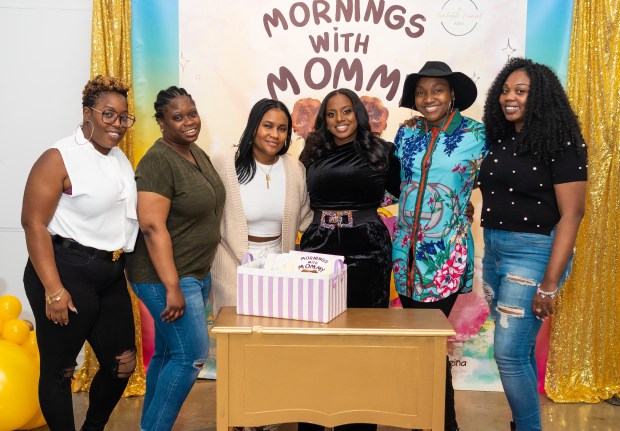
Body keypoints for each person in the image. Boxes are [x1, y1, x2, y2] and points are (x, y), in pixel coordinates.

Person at [21, 75, 138, 431]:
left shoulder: (117, 158)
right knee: (61, 370)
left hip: (110, 274)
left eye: (124, 116)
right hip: (65, 272)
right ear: (87, 113)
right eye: (108, 114)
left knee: (122, 364)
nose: (117, 123)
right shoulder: (59, 158)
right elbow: (33, 223)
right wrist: (54, 290)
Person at [479, 57, 587, 431]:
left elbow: (572, 214)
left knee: (508, 354)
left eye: (521, 91)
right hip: (494, 251)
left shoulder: (562, 142)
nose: (510, 97)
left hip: (533, 253)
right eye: (506, 90)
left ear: (540, 96)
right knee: (519, 351)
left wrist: (550, 284)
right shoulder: (501, 139)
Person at [392, 61, 488, 431]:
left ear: (452, 95)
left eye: (437, 90)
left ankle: (442, 423)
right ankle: (431, 420)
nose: (428, 98)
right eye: (421, 92)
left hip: (445, 257)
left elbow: (496, 180)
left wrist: (464, 206)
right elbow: (395, 182)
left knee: (429, 343)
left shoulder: (477, 134)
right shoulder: (407, 132)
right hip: (405, 256)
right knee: (421, 344)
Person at [298, 88, 400, 431]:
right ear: (324, 119)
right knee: (315, 337)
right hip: (318, 246)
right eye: (331, 113)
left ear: (358, 113)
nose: (339, 119)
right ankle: (314, 417)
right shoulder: (311, 152)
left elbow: (412, 192)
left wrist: (459, 204)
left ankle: (358, 419)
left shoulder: (382, 151)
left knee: (363, 338)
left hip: (368, 247)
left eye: (346, 111)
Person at [125, 86, 226, 431]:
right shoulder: (158, 161)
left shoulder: (193, 152)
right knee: (190, 356)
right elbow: (152, 227)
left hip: (192, 273)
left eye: (191, 113)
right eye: (177, 117)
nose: (188, 122)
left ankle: (148, 426)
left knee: (168, 353)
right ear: (161, 122)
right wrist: (172, 287)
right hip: (164, 278)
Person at [211, 98, 312, 316]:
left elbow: (307, 219)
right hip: (231, 266)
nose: (275, 135)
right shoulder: (224, 163)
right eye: (268, 126)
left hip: (279, 268)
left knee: (275, 332)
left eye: (282, 129)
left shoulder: (295, 169)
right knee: (236, 332)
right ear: (254, 126)